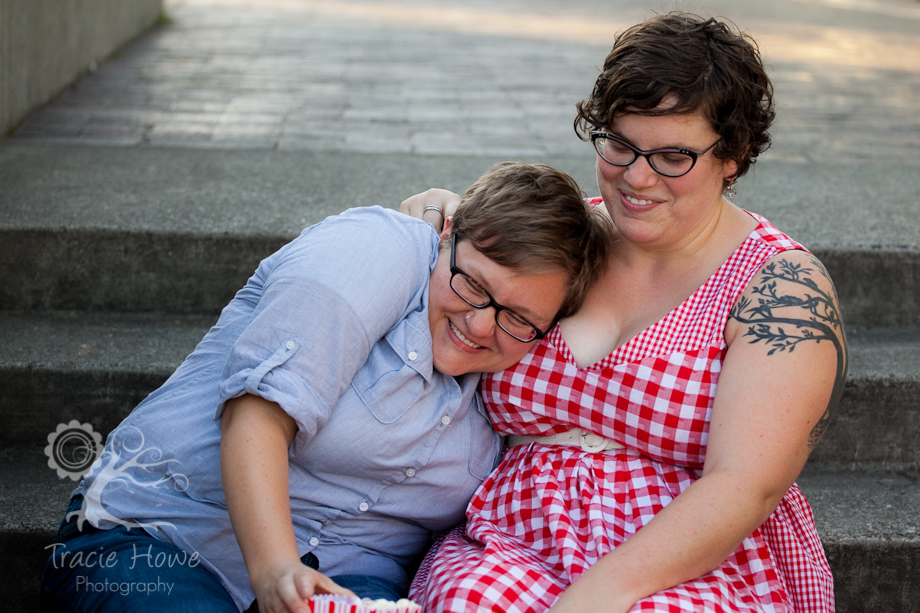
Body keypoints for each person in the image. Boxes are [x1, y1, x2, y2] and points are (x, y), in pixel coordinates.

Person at [401, 12, 846, 613]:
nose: (637, 177)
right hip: (510, 544)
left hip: (688, 562)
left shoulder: (779, 288)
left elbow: (745, 485)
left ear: (734, 155)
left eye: (673, 156)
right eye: (620, 144)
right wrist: (436, 223)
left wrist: (593, 597)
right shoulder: (560, 241)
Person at [39, 161, 611, 613]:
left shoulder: (515, 378)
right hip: (166, 539)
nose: (481, 324)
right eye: (472, 285)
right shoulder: (379, 249)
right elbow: (256, 413)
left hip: (350, 577)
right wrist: (276, 570)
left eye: (517, 317)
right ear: (450, 236)